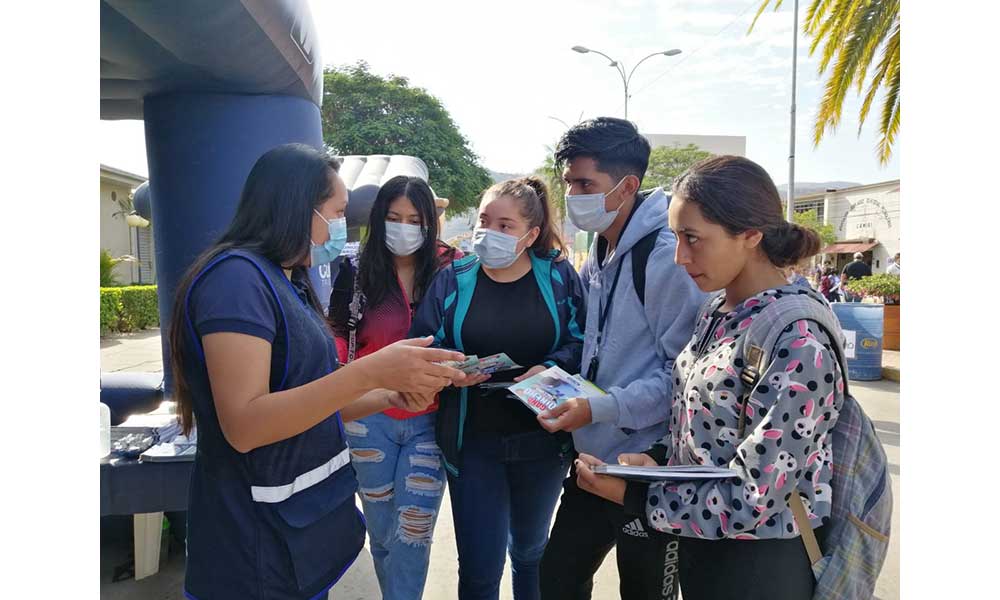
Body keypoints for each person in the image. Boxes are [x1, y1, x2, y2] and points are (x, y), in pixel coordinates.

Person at [167, 143, 467, 600]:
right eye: (338, 211)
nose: (342, 226)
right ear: (298, 207)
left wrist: (389, 394)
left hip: (295, 534)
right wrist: (370, 371)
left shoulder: (286, 279)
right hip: (252, 549)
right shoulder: (236, 281)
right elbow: (246, 424)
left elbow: (313, 396)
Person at [574, 154, 848, 599]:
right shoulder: (716, 312)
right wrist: (660, 464)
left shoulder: (798, 337)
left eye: (693, 238)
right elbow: (705, 428)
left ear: (750, 236)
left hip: (762, 564)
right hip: (703, 551)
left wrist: (634, 497)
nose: (680, 257)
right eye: (675, 237)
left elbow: (756, 496)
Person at [537, 117, 706, 600]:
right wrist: (554, 379)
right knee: (558, 579)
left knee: (645, 591)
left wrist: (600, 407)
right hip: (593, 457)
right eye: (569, 182)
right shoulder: (603, 249)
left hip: (646, 464)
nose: (572, 194)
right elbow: (600, 349)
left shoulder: (666, 256)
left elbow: (684, 378)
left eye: (585, 183)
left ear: (627, 185)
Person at [408, 177, 587, 600]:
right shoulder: (453, 279)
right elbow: (422, 343)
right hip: (472, 441)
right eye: (484, 220)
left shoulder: (558, 277)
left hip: (543, 441)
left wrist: (550, 366)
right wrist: (450, 368)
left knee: (529, 552)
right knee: (479, 567)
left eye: (505, 225)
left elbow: (582, 341)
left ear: (531, 234)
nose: (489, 232)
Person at [326, 175, 461, 600]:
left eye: (414, 219)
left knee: (412, 534)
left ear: (429, 224)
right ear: (379, 220)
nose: (403, 227)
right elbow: (337, 339)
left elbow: (466, 335)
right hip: (368, 417)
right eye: (393, 218)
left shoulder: (452, 269)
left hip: (429, 418)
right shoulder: (356, 269)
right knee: (383, 532)